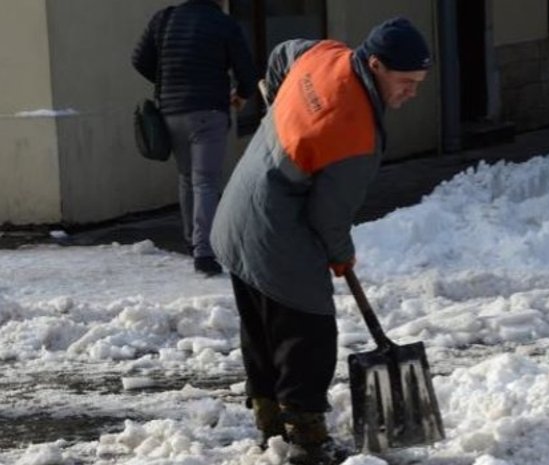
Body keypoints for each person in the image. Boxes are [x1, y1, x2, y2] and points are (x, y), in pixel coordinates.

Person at [210, 17, 431, 465]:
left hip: (235, 215)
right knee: (307, 333)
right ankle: (307, 442)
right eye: (405, 82)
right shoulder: (357, 131)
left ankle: (269, 426)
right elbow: (326, 217)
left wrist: (277, 103)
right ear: (375, 64)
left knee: (261, 327)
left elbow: (281, 54)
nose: (411, 92)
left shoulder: (325, 55)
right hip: (276, 231)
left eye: (419, 83)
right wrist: (342, 255)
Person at [132, 0, 258, 276]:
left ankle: (192, 241)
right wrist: (241, 94)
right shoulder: (224, 24)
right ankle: (204, 252)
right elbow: (247, 72)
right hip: (208, 111)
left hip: (172, 111)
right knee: (205, 182)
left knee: (187, 176)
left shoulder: (164, 19)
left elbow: (139, 59)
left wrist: (169, 80)